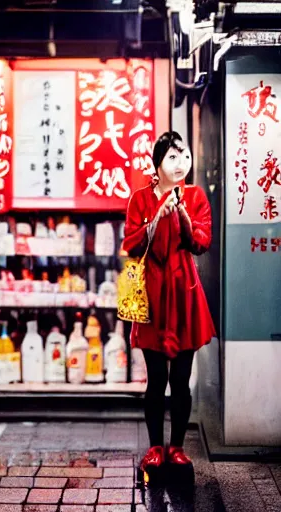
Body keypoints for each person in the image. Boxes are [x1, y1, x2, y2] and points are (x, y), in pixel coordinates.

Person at [121, 131, 216, 472]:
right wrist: (158, 215)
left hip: (185, 293)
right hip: (151, 296)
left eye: (184, 156)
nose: (181, 164)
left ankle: (177, 447)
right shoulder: (139, 199)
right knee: (156, 377)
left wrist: (182, 215)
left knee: (181, 378)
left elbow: (201, 243)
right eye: (172, 158)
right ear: (157, 164)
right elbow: (130, 244)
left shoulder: (195, 196)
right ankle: (154, 448)